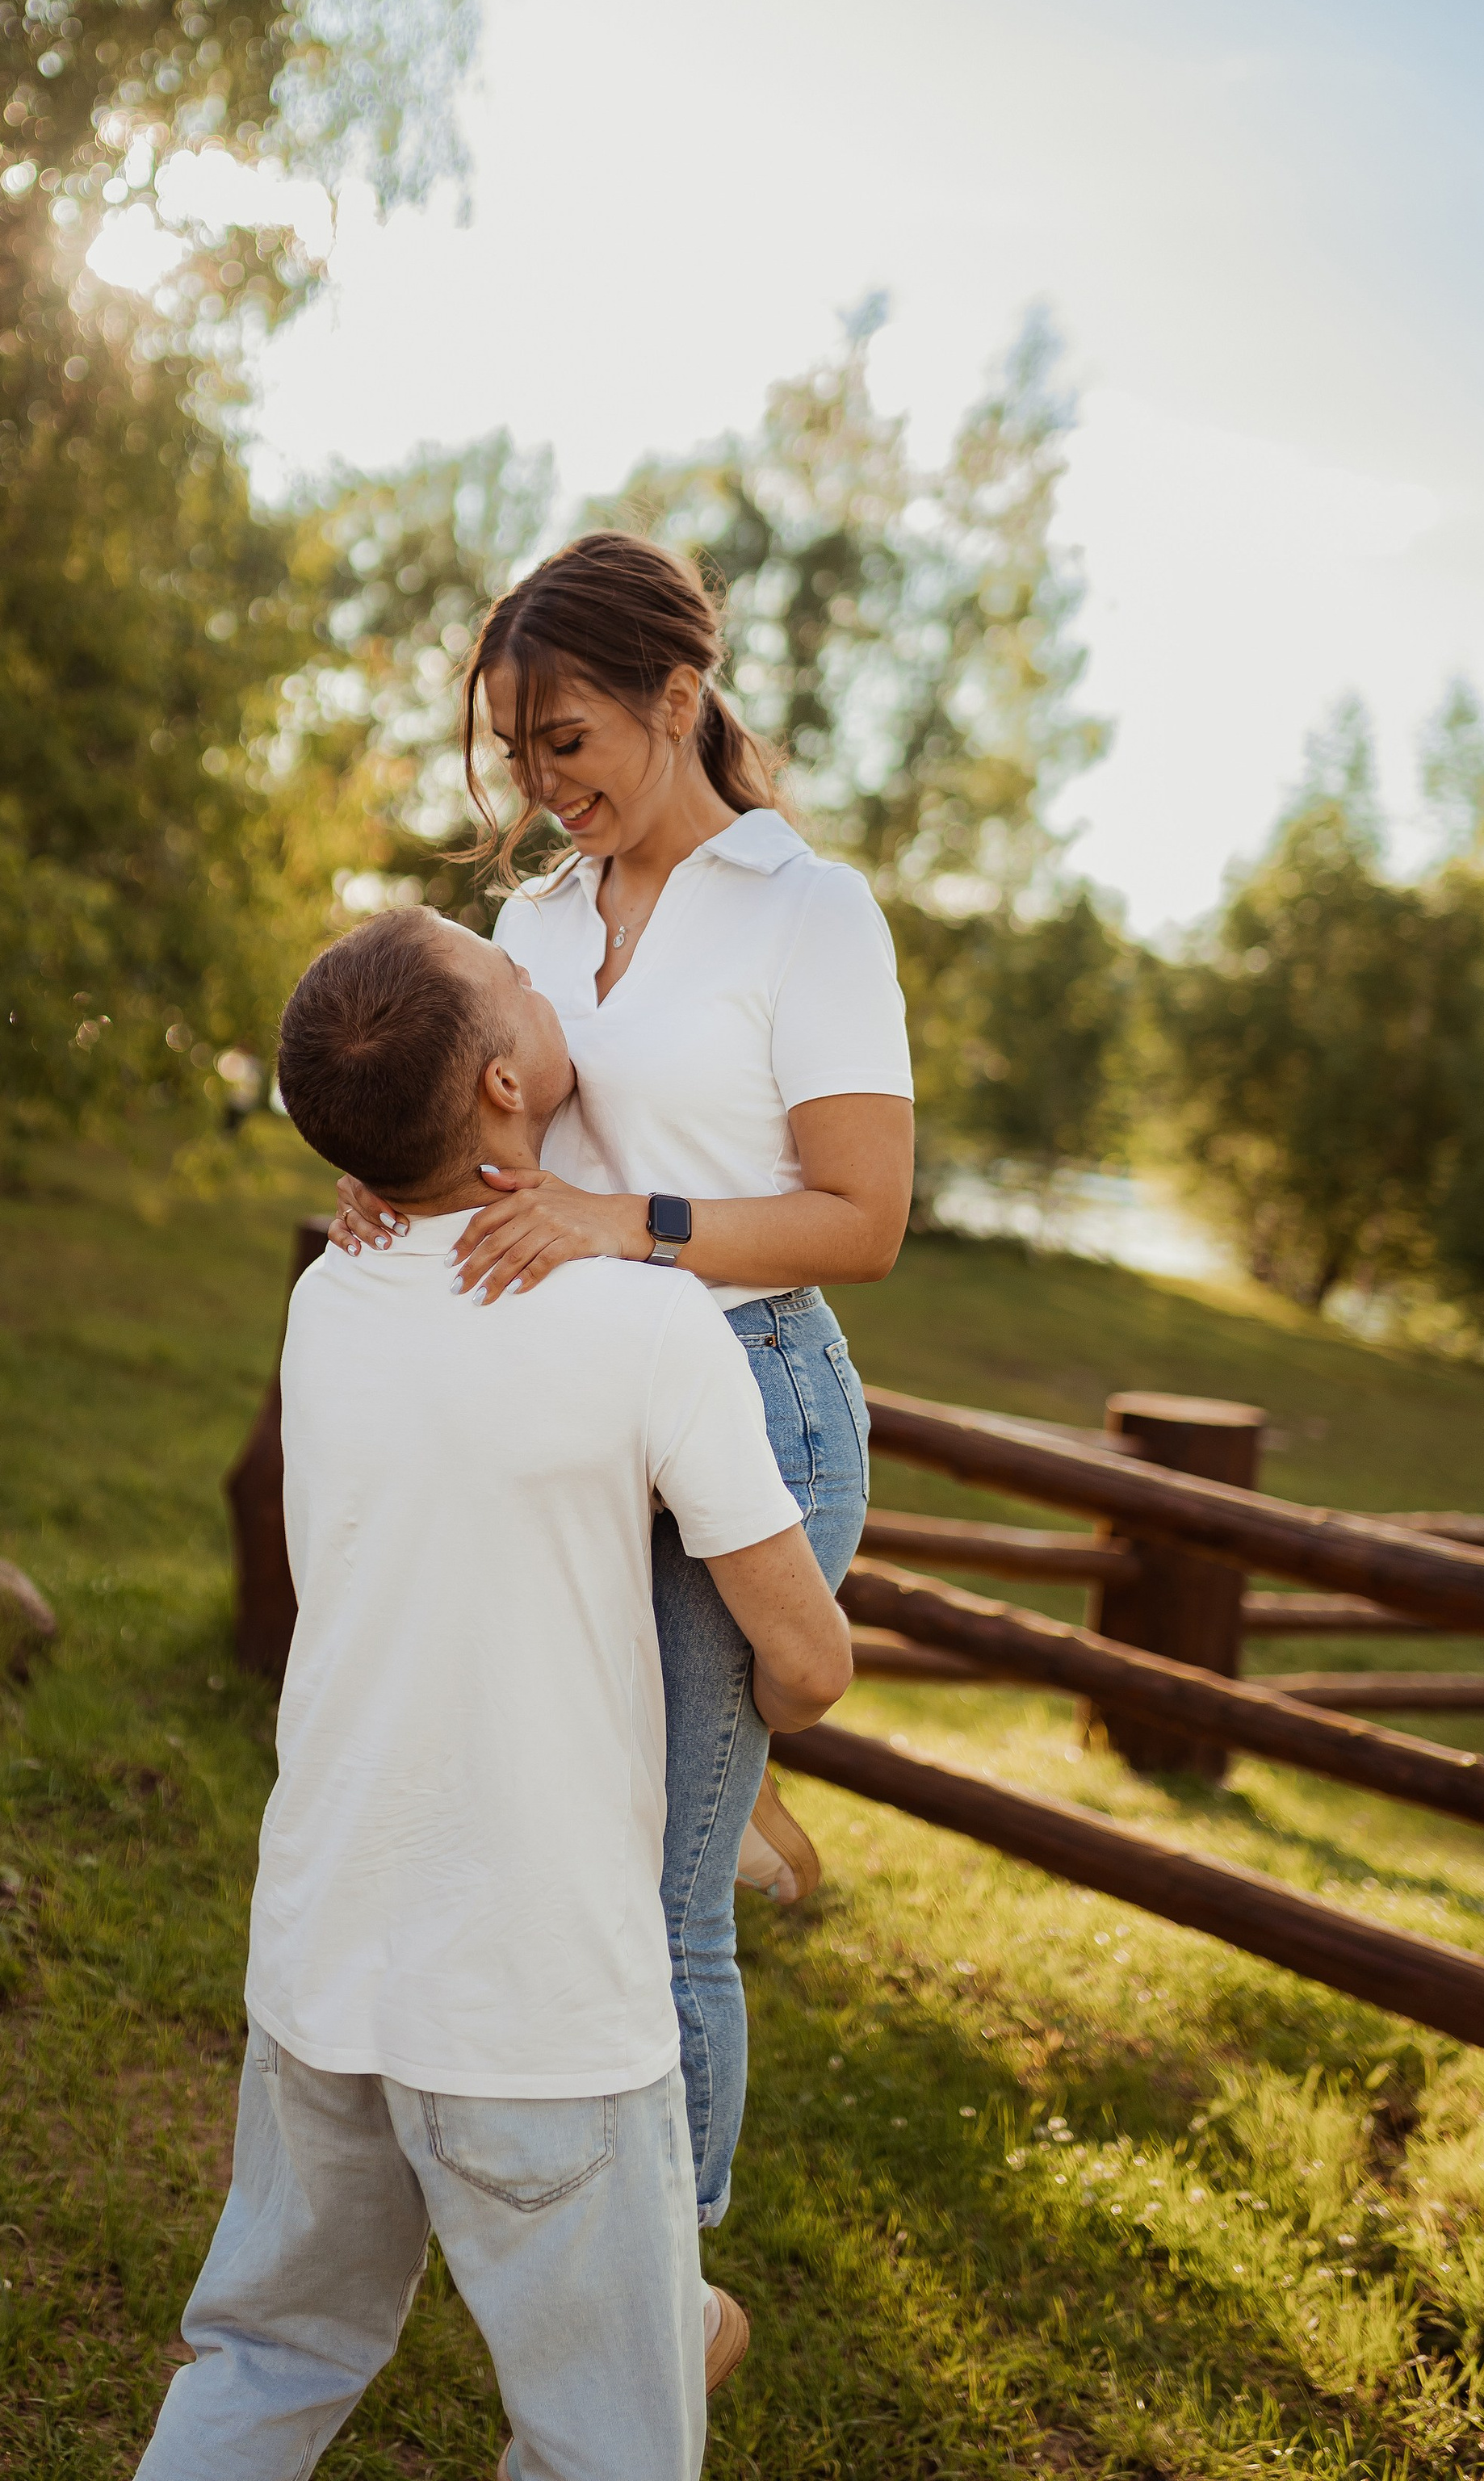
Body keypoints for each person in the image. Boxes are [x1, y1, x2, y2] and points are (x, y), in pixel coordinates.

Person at [137, 905, 853, 2481]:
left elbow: (414, 1185)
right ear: (501, 1094)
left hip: (322, 1959)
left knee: (261, 2359)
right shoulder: (649, 1326)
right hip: (534, 2017)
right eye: (515, 980)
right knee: (610, 2450)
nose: (543, 980)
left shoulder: (331, 1289)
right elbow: (804, 1664)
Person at [332, 529, 914, 2236]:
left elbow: (860, 1222)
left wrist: (624, 1223)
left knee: (660, 1899)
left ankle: (665, 2282)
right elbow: (487, 1110)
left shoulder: (806, 913)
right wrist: (403, 1165)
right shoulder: (533, 912)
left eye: (561, 741)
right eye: (513, 753)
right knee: (561, 1854)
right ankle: (716, 1795)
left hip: (752, 1407)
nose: (535, 783)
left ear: (675, 700)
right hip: (573, 1421)